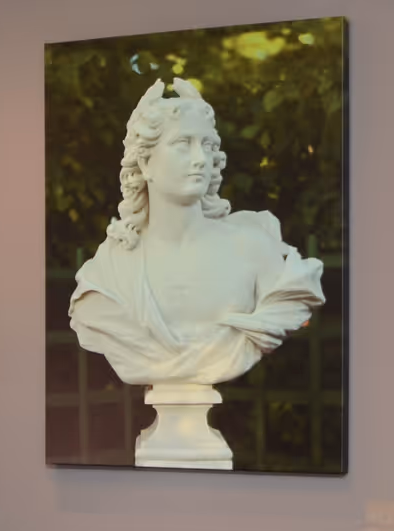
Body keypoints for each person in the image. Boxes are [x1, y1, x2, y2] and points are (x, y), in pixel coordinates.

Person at [69, 79, 325, 393]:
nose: (201, 159)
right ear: (146, 162)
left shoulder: (254, 248)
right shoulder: (111, 268)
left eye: (207, 146)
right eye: (183, 143)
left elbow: (290, 307)